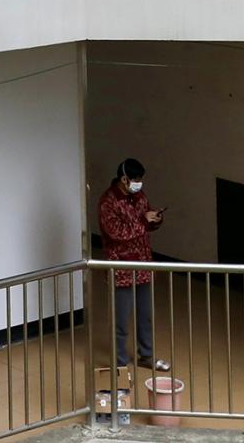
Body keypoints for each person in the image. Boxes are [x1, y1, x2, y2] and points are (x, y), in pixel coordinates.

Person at [95, 158, 166, 374]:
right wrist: (144, 222)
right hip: (121, 268)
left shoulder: (139, 197)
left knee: (145, 315)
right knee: (121, 320)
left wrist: (155, 219)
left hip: (143, 264)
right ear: (124, 178)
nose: (139, 184)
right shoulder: (108, 202)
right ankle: (119, 362)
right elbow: (117, 233)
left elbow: (145, 221)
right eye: (135, 180)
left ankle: (147, 355)